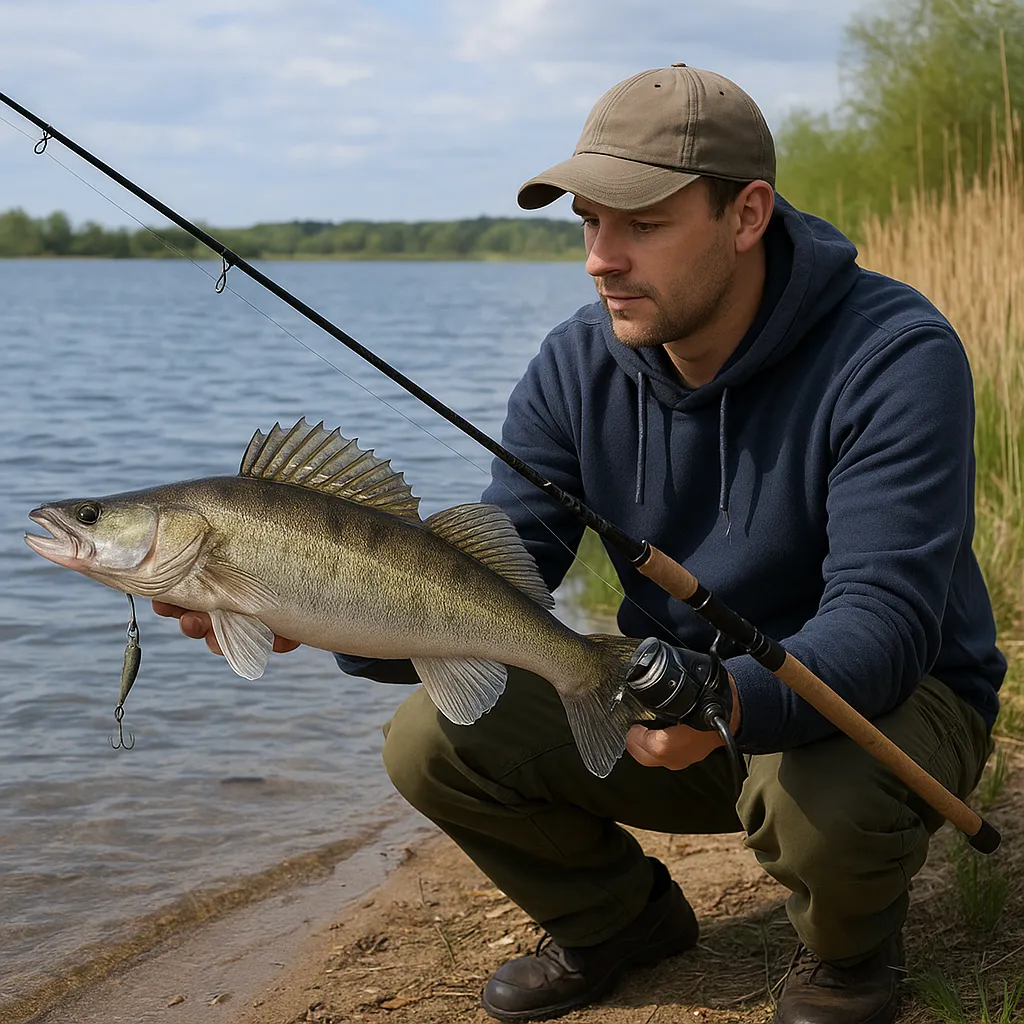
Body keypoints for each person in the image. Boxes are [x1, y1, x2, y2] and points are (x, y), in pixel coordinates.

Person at [155, 64, 1005, 1024]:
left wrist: (730, 696)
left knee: (825, 800)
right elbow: (498, 569)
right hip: (663, 689)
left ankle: (850, 956)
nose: (602, 258)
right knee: (435, 742)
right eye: (589, 223)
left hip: (886, 702)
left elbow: (885, 621)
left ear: (747, 213)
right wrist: (316, 609)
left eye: (642, 225)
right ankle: (618, 922)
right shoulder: (575, 364)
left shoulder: (892, 354)